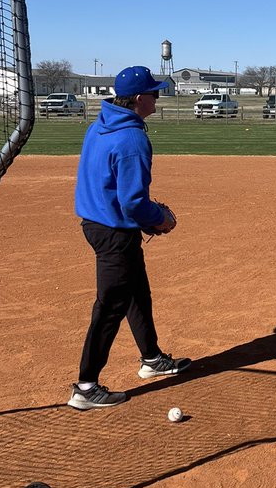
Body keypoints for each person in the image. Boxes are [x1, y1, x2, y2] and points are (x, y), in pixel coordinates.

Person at [68, 65, 191, 410]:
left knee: (137, 292)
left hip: (97, 222)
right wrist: (159, 220)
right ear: (140, 100)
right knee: (109, 307)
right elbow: (134, 201)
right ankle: (86, 387)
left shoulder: (100, 126)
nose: (157, 97)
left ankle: (152, 359)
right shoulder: (133, 139)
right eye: (154, 93)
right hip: (114, 232)